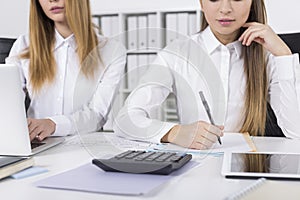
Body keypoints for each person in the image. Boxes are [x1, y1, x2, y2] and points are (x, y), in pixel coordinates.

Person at [114, 0, 300, 150]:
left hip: (249, 166)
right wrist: (174, 132)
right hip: (194, 166)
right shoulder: (178, 53)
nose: (225, 8)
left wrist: (284, 55)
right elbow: (125, 120)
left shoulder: (268, 56)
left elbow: (296, 132)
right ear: (201, 3)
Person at [6, 0, 126, 141]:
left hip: (83, 145)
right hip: (37, 143)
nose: (52, 0)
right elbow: (7, 105)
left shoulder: (111, 50)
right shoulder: (23, 46)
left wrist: (53, 124)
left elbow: (97, 115)